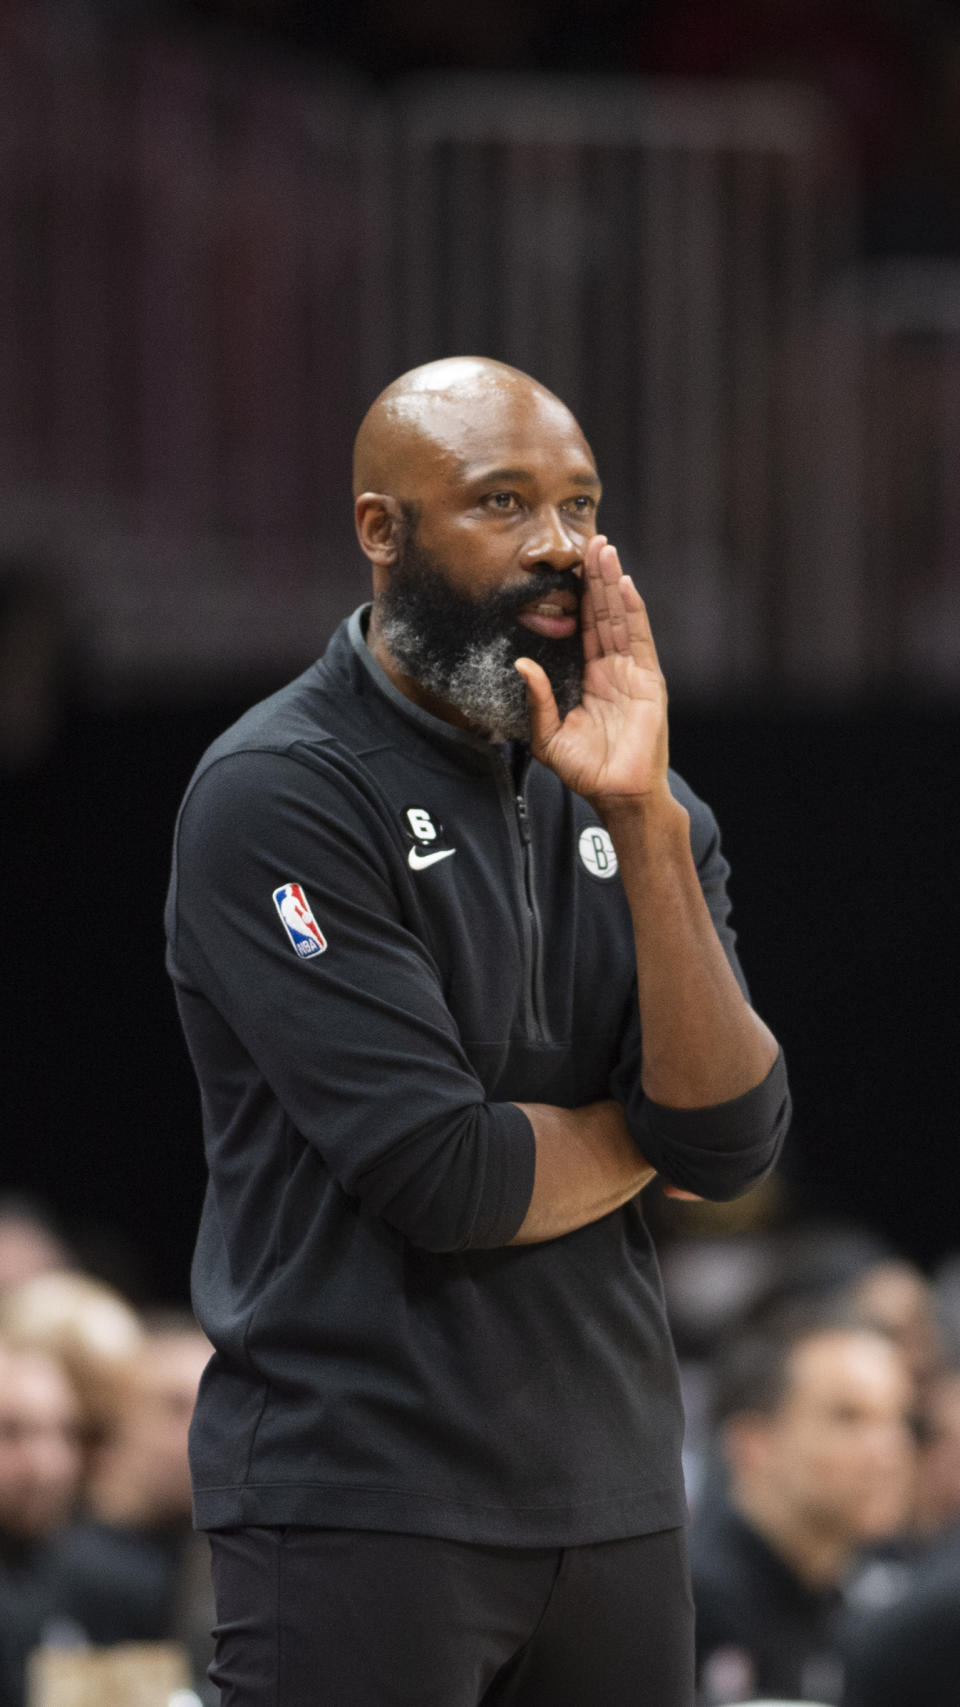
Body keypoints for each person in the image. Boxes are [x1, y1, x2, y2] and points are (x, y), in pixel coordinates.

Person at [165, 354, 791, 1706]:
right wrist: (650, 1131)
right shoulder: (278, 790)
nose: (558, 543)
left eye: (579, 502)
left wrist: (646, 826)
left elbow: (734, 1141)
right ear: (381, 530)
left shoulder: (643, 795)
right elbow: (443, 1172)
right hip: (359, 1490)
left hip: (617, 1487)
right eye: (503, 502)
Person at [690, 1305, 916, 1706]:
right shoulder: (681, 1612)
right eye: (849, 1419)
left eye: (899, 1419)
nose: (890, 1450)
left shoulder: (882, 1601)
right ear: (752, 1444)